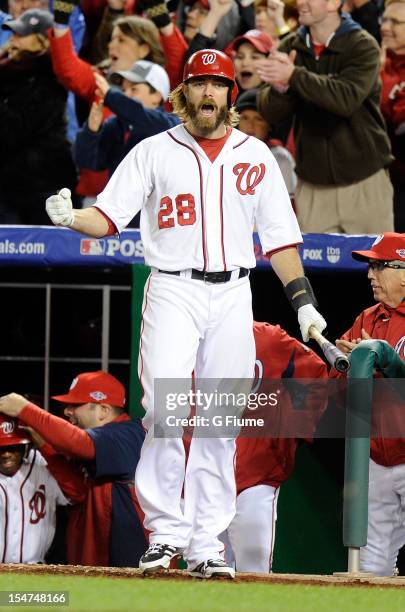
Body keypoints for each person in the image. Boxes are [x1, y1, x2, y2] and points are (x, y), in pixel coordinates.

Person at [45, 49, 327, 579]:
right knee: (166, 414)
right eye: (198, 84)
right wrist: (72, 217)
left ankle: (205, 543)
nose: (207, 94)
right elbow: (107, 218)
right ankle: (166, 535)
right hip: (173, 288)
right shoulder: (155, 151)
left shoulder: (257, 156)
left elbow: (281, 241)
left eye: (217, 85)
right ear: (184, 93)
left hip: (233, 293)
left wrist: (304, 302)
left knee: (220, 422)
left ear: (229, 95)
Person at [256, 0, 394, 234]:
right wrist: (281, 89)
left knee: (380, 268)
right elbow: (269, 112)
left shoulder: (363, 45)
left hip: (365, 182)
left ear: (333, 3)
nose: (300, 3)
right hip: (312, 187)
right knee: (314, 270)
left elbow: (346, 99)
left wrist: (294, 76)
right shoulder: (290, 46)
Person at [0, 371, 147, 567]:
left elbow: (78, 442)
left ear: (103, 410)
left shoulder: (129, 435)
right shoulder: (97, 444)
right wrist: (45, 445)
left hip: (132, 565)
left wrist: (25, 410)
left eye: (76, 405)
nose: (67, 411)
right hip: (97, 565)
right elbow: (78, 492)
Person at [220, 321, 328, 573]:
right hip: (203, 477)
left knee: (254, 564)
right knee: (205, 567)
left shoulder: (269, 338)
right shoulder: (191, 338)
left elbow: (314, 374)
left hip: (256, 473)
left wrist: (290, 431)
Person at [332, 232, 405, 576]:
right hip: (376, 458)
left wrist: (380, 364)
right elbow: (336, 387)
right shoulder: (368, 318)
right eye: (369, 266)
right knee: (374, 564)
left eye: (378, 266)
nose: (369, 274)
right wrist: (348, 367)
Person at [0, 8, 77, 224]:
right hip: (8, 188)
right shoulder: (7, 73)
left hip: (44, 192)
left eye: (22, 35)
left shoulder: (52, 80)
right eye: (13, 34)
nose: (14, 39)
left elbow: (13, 128)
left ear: (43, 42)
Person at [75, 60, 180, 178]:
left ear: (157, 96)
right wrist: (91, 131)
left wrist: (110, 96)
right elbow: (87, 161)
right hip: (119, 196)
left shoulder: (171, 124)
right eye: (124, 90)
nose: (126, 95)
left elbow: (139, 115)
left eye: (134, 89)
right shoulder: (117, 124)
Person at [0, 415, 72, 564]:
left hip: (35, 572)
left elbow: (77, 493)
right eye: (1, 448)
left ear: (26, 445)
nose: (6, 454)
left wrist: (44, 445)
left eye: (12, 447)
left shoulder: (43, 466)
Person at [235, 88, 296, 197]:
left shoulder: (280, 158)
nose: (250, 125)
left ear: (269, 125)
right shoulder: (225, 154)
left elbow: (289, 206)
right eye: (245, 118)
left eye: (258, 119)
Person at [379, 0, 405, 232]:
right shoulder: (375, 63)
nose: (386, 27)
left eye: (395, 22)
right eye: (384, 19)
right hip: (384, 179)